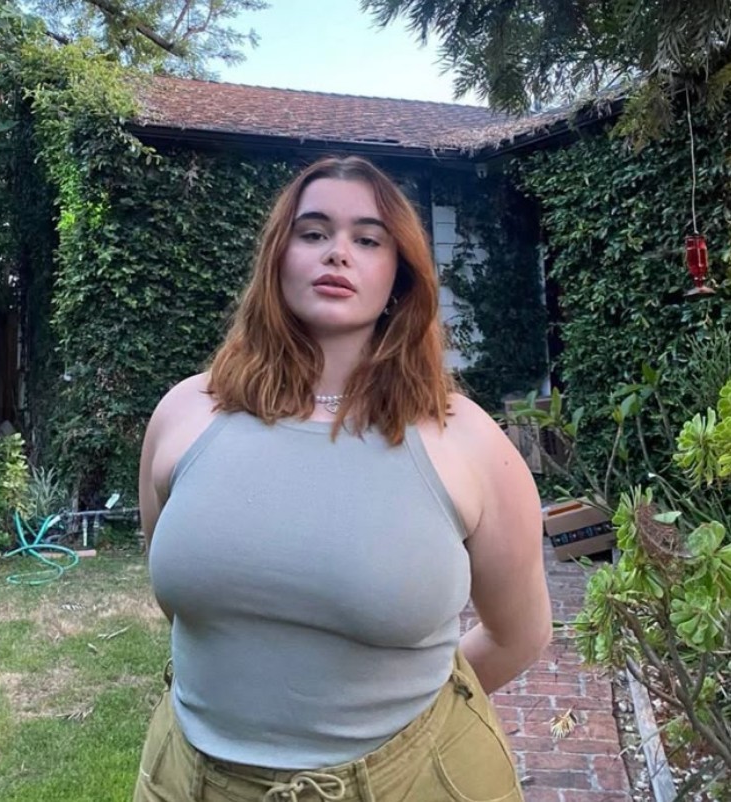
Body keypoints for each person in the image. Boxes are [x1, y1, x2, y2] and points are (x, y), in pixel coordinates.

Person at [135, 155, 552, 802]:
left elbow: (517, 635)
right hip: (185, 779)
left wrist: (401, 726)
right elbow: (182, 604)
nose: (338, 252)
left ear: (400, 277)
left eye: (368, 240)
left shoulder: (469, 442)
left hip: (416, 783)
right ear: (277, 258)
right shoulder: (184, 414)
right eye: (313, 232)